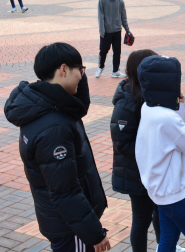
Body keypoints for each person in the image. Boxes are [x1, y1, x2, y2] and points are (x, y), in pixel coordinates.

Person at [4, 43, 110, 252]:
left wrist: (78, 73)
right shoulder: (54, 127)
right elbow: (65, 191)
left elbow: (79, 107)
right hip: (71, 228)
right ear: (63, 69)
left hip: (64, 221)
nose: (81, 77)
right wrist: (93, 233)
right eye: (80, 71)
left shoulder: (44, 104)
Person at [136, 55, 185, 252]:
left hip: (161, 191)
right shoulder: (166, 119)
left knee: (168, 241)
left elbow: (173, 129)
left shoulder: (148, 108)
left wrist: (181, 105)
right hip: (176, 195)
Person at [110, 49, 164, 252]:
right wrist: (151, 155)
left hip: (153, 170)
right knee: (142, 220)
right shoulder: (126, 102)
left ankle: (164, 247)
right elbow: (122, 143)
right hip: (136, 173)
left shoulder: (151, 94)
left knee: (161, 214)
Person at [97, 0, 131, 79]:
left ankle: (115, 71)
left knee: (117, 51)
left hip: (117, 31)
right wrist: (102, 31)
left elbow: (123, 17)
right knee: (103, 51)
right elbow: (100, 17)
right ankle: (100, 66)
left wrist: (127, 30)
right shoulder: (102, 0)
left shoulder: (120, 1)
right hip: (106, 32)